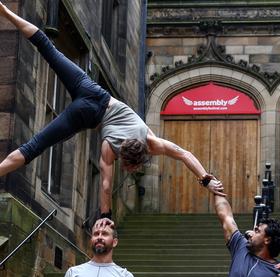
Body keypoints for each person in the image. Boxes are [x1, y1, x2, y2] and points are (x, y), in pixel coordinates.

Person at [0, 3, 224, 219]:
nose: (129, 170)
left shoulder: (150, 139)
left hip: (94, 91)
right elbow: (106, 186)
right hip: (86, 114)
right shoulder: (113, 148)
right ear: (130, 160)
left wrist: (206, 179)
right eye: (129, 167)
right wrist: (106, 214)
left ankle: (5, 11)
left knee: (48, 48)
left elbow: (185, 154)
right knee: (34, 147)